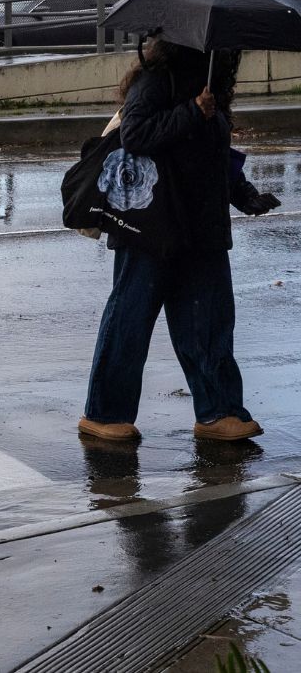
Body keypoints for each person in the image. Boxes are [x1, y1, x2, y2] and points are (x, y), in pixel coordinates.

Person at [79, 37, 281, 443]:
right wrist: (192, 111)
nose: (228, 57)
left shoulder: (210, 88)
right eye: (224, 50)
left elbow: (213, 155)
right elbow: (135, 134)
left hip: (201, 226)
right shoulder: (157, 81)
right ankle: (105, 414)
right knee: (130, 321)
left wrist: (243, 195)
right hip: (152, 226)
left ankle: (218, 412)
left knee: (208, 325)